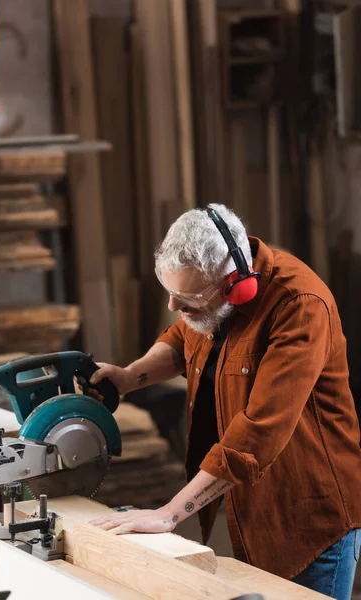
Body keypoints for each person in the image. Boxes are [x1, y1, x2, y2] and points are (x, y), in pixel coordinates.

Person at [88, 204, 361, 600]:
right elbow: (183, 340)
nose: (174, 308)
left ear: (238, 285)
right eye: (171, 294)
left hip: (310, 515)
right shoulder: (210, 301)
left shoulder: (300, 305)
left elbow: (256, 436)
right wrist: (131, 377)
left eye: (188, 298)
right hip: (252, 508)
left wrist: (168, 515)